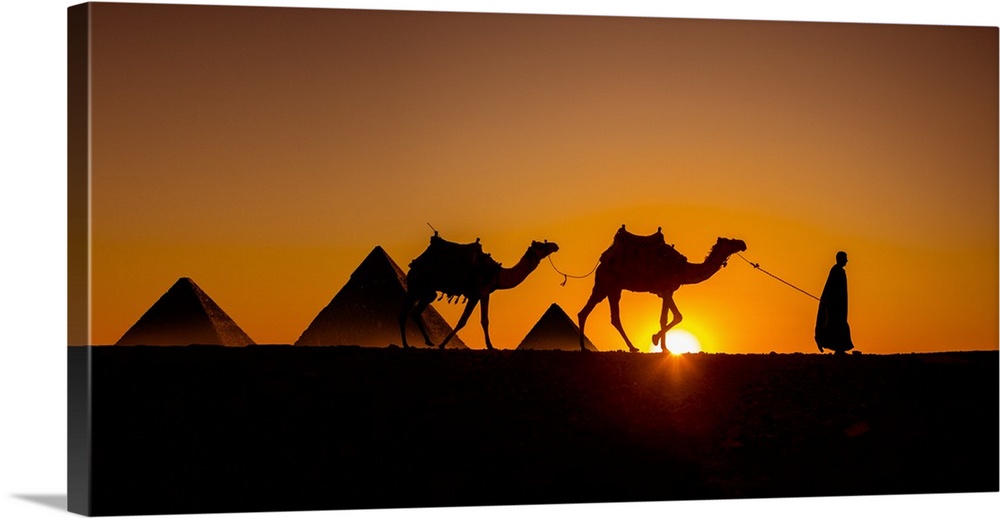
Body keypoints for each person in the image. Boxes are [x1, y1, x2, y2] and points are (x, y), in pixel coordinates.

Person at [815, 251, 854, 354]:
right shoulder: (836, 271)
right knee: (836, 326)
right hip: (835, 306)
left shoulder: (839, 271)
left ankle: (839, 349)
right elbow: (831, 289)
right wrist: (831, 303)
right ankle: (827, 343)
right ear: (840, 259)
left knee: (837, 326)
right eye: (845, 258)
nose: (847, 260)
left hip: (839, 305)